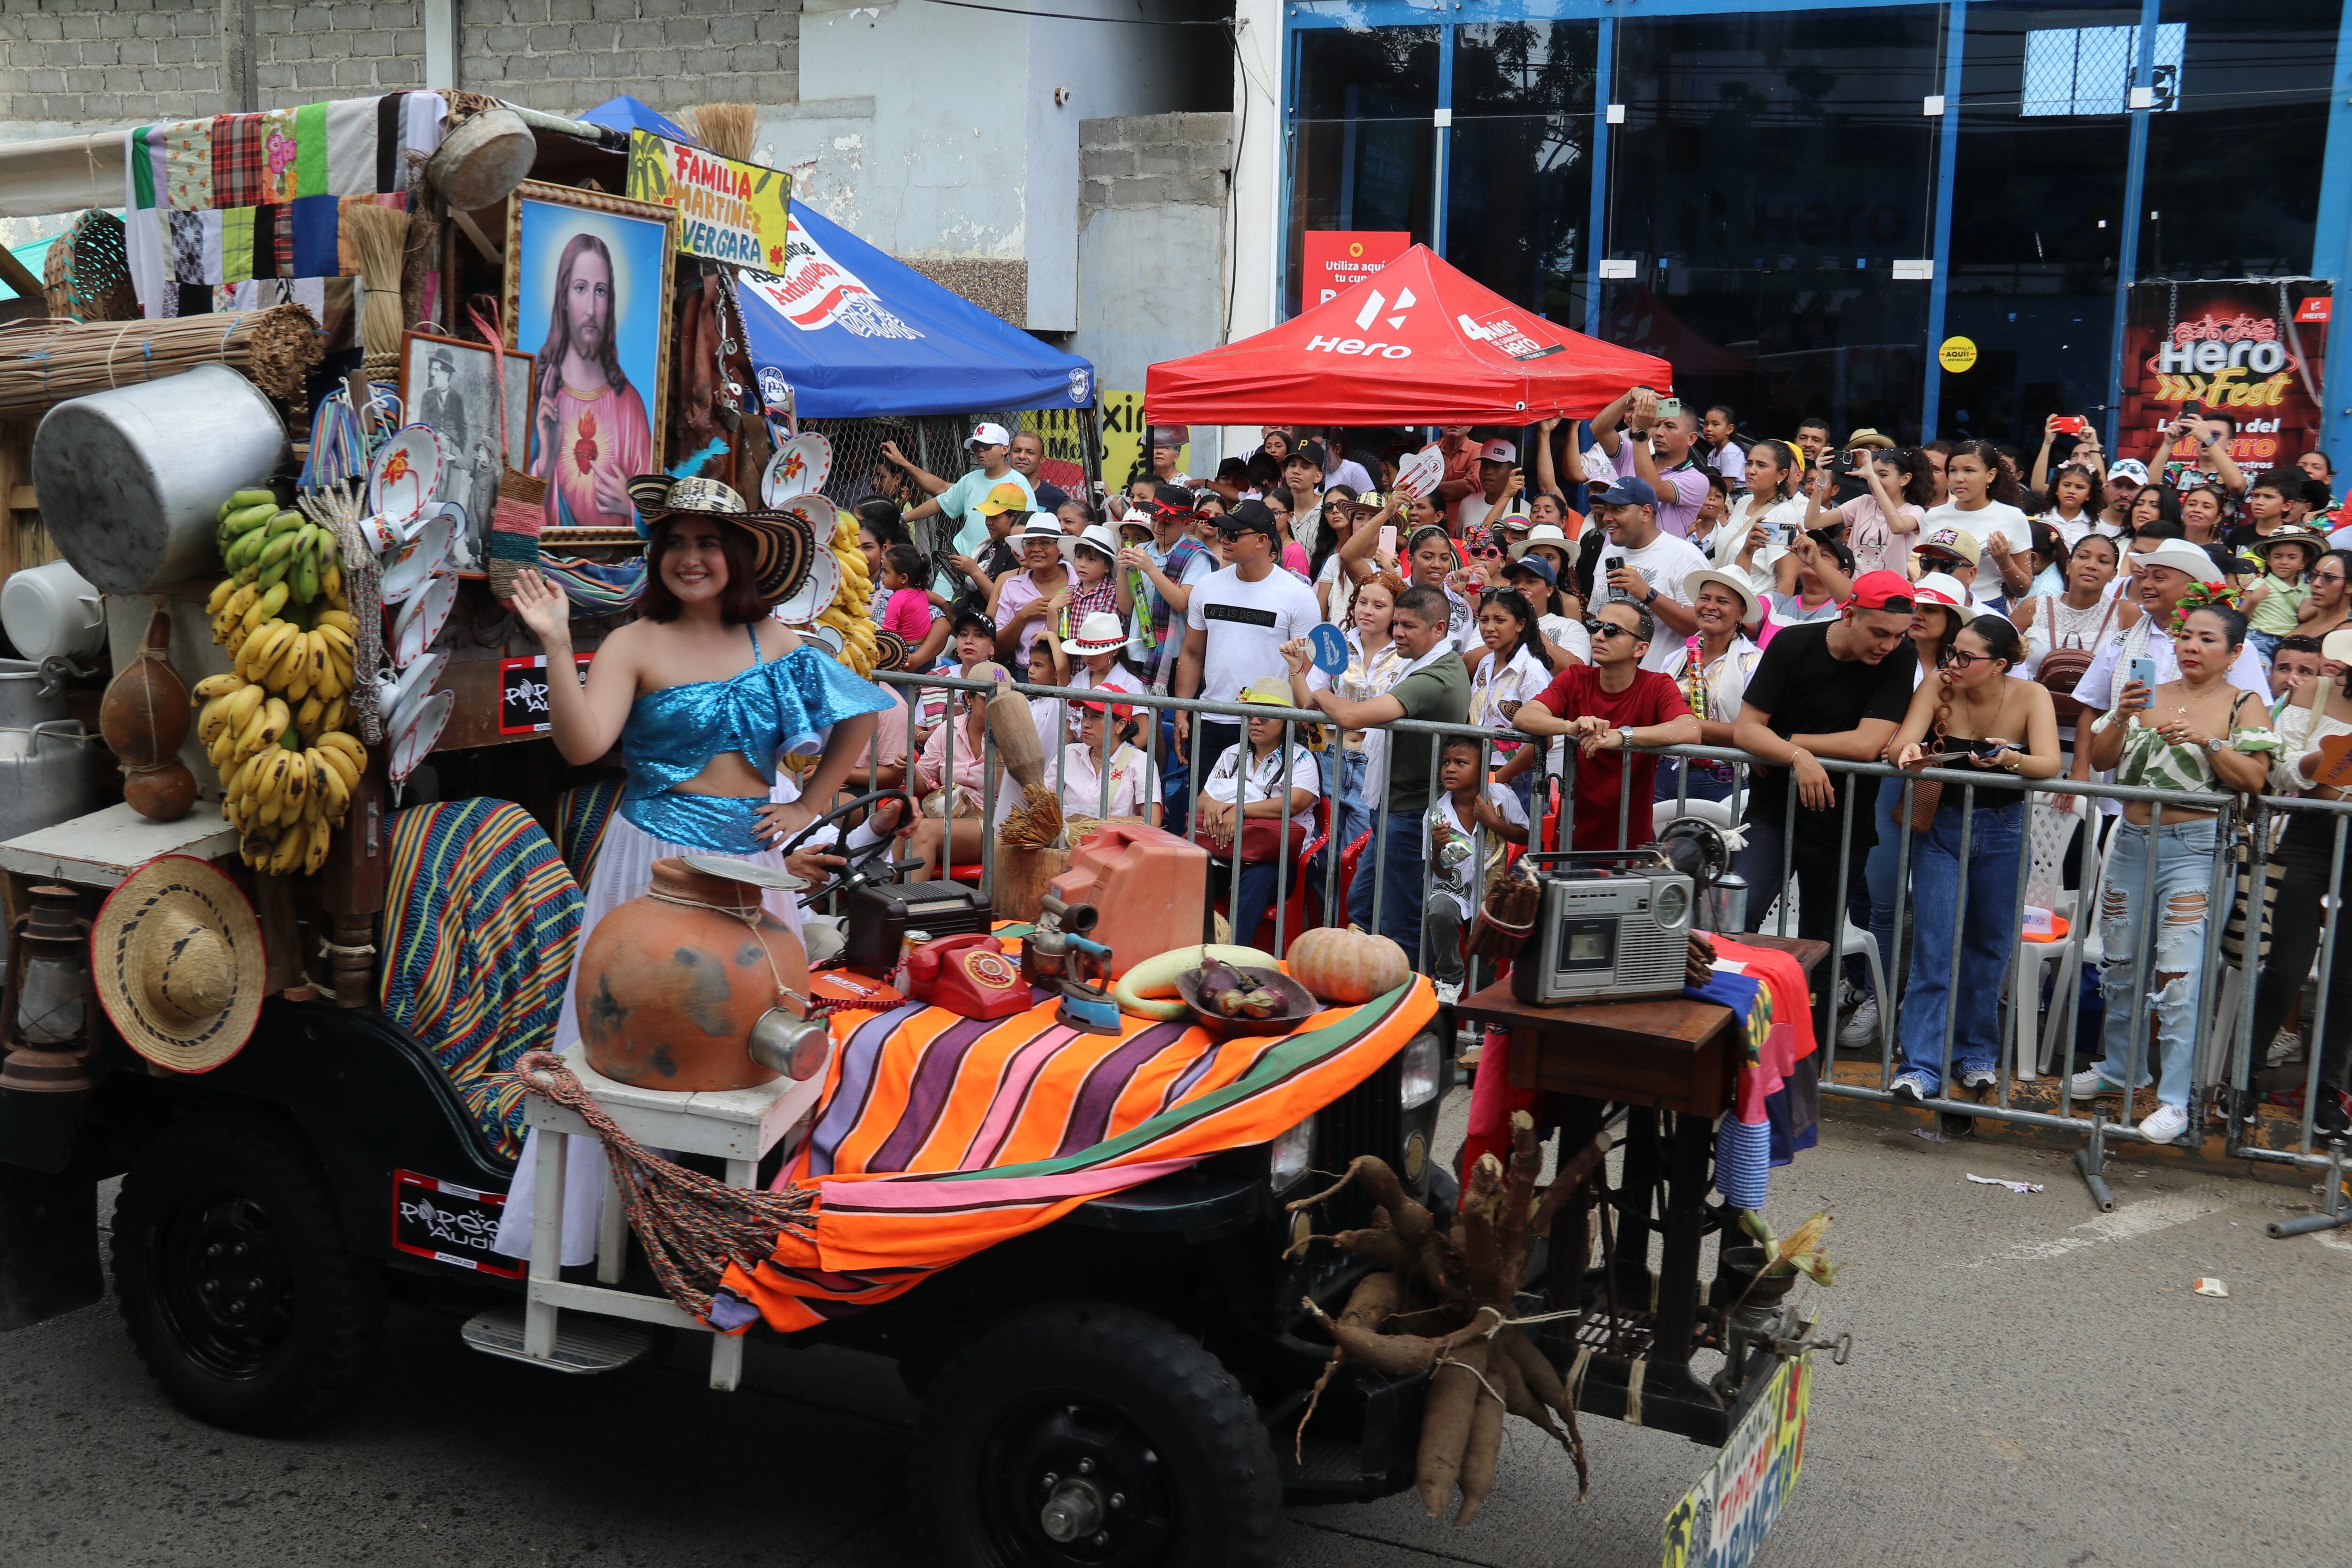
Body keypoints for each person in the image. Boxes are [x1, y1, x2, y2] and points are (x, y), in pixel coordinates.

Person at [496, 483, 889, 1262]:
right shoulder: (633, 642)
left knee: (746, 1052)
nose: (691, 558)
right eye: (676, 543)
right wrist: (553, 637)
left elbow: (863, 714)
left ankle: (704, 1237)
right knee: (626, 1045)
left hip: (749, 869)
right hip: (650, 865)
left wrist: (808, 801)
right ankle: (589, 1237)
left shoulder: (775, 644)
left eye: (708, 543)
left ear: (738, 556)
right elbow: (582, 747)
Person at [2076, 602, 2274, 1144]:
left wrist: (2207, 743)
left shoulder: (2244, 704)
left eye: (2207, 640)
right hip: (2131, 843)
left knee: (2179, 978)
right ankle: (2121, 1071)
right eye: (2186, 637)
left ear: (2234, 653)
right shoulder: (2150, 695)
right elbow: (2098, 759)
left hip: (2195, 848)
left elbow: (2254, 778)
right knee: (2118, 965)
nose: (2191, 646)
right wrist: (2120, 714)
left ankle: (2175, 1098)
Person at [1883, 617, 2061, 1102]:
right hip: (1940, 825)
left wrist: (2008, 760)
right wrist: (1908, 755)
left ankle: (1974, 1054)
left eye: (1965, 657)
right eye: (1950, 653)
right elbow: (1901, 742)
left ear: (1999, 665)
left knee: (1988, 950)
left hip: (2003, 828)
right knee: (1933, 949)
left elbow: (2049, 764)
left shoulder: (2030, 696)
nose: (1952, 664)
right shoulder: (1938, 686)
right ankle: (1919, 1065)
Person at [1729, 572, 1919, 966]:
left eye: (1900, 634)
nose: (1889, 644)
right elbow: (1746, 730)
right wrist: (1798, 758)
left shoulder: (1901, 655)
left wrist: (1784, 742)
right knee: (1733, 919)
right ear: (1848, 615)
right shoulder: (1793, 643)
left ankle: (1811, 1028)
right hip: (1773, 813)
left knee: (1820, 945)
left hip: (1843, 822)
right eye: (1881, 633)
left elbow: (1867, 745)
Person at [1285, 585, 1468, 962]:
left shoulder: (1436, 675)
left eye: (1408, 626)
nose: (1398, 631)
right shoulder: (1420, 663)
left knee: (1400, 921)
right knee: (1363, 904)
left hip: (1410, 812)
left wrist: (1320, 695)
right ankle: (1361, 983)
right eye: (1397, 623)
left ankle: (1408, 1005)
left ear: (1439, 629)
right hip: (1389, 804)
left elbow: (1352, 716)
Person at [1847, 576, 1972, 1049]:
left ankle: (1919, 1009)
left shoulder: (1965, 670)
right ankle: (1878, 998)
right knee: (1882, 903)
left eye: (1932, 611)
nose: (1918, 616)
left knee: (1939, 912)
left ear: (1952, 623)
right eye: (1914, 608)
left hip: (1947, 799)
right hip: (1887, 791)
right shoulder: (1879, 659)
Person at [2244, 634, 2352, 1133]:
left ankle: (2326, 1091)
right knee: (2286, 967)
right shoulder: (2311, 693)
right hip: (2309, 836)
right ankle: (2242, 1078)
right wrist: (2324, 763)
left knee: (2344, 977)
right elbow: (2280, 769)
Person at [1510, 600, 1698, 850]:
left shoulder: (1657, 685)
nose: (1598, 636)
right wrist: (1570, 727)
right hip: (1570, 841)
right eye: (1595, 626)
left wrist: (1622, 736)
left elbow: (1690, 729)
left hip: (1630, 849)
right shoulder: (1576, 677)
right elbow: (1525, 716)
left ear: (1640, 649)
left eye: (1612, 630)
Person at [1174, 499, 1324, 787]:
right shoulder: (1208, 585)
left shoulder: (1298, 596)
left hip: (1271, 724)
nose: (1223, 540)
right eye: (1222, 533)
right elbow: (1192, 653)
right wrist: (1183, 711)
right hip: (1213, 718)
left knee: (1258, 821)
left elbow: (1306, 668)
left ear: (1262, 541)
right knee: (1204, 816)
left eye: (1233, 534)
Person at [529, 233, 655, 530]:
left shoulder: (629, 405)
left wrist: (631, 506)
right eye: (581, 289)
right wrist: (546, 459)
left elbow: (651, 513)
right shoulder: (538, 399)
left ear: (610, 302)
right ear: (563, 297)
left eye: (601, 291)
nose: (591, 309)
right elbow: (518, 520)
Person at [1194, 676, 1322, 947]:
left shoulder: (1302, 758)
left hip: (1283, 857)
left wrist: (1238, 810)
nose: (1254, 721)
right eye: (1251, 714)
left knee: (1254, 878)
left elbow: (1294, 804)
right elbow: (1201, 802)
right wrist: (1218, 806)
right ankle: (1189, 943)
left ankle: (1231, 956)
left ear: (1285, 721)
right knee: (1189, 863)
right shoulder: (1232, 753)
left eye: (1264, 716)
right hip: (1228, 849)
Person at [1423, 735, 1531, 1002]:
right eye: (1446, 762)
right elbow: (1441, 873)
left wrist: (1493, 823)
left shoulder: (1501, 797)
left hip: (1489, 895)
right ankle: (1450, 977)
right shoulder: (1437, 813)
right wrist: (1438, 848)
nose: (1450, 768)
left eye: (1461, 763)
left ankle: (1480, 1031)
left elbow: (1525, 835)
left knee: (1484, 971)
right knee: (1440, 910)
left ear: (1483, 769)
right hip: (1455, 890)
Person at [1657, 568, 1764, 804]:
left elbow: (1751, 732)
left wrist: (1685, 726)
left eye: (1722, 601)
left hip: (1722, 780)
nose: (1710, 606)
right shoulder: (1674, 660)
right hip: (1668, 771)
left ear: (1741, 613)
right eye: (1704, 598)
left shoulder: (1755, 664)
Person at [1589, 476, 1707, 672]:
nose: (1607, 517)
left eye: (1618, 509)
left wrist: (1648, 594)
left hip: (1659, 687)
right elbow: (1596, 615)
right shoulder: (1609, 553)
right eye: (1607, 509)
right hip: (1606, 687)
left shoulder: (1685, 556)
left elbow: (1701, 628)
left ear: (1645, 513)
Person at [892, 423, 1037, 571]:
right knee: (939, 594)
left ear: (1004, 449)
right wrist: (902, 518)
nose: (980, 450)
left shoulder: (1018, 482)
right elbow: (939, 503)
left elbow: (1030, 523)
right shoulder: (970, 479)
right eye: (976, 446)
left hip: (995, 559)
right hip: (960, 555)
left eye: (987, 446)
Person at [1467, 587, 1557, 807]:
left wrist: (1501, 778)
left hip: (1520, 779)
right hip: (1482, 774)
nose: (1489, 628)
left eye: (1499, 620)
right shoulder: (1485, 663)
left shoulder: (1531, 670)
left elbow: (1545, 739)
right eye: (1484, 620)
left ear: (1520, 625)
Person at [1927, 439, 2034, 601]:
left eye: (1969, 471)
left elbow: (2023, 588)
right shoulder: (1933, 515)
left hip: (1987, 607)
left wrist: (2004, 560)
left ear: (1991, 475)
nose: (1959, 479)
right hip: (1938, 603)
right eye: (1953, 471)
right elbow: (1925, 569)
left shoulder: (2013, 517)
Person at [1597, 394, 1708, 539]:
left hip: (1659, 561)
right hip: (1614, 557)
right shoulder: (1632, 454)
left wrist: (1640, 433)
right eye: (1657, 425)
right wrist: (1630, 397)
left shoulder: (1697, 480)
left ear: (1691, 438)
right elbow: (1599, 429)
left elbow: (1650, 490)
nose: (1659, 433)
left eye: (1670, 427)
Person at [1812, 445, 1927, 578]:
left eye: (1883, 475)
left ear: (1905, 479)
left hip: (1887, 593)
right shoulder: (1864, 502)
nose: (1873, 480)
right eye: (1872, 474)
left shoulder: (1915, 511)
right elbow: (1813, 522)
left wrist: (1872, 477)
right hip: (1852, 590)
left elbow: (1898, 527)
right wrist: (1822, 479)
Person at [1721, 440, 1807, 597]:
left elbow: (1787, 581)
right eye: (1749, 463)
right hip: (1723, 600)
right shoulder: (1742, 502)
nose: (1751, 471)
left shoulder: (1785, 517)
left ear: (1782, 475)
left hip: (1753, 610)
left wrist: (1772, 619)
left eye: (1761, 466)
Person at [988, 515, 1073, 667]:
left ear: (1060, 548)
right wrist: (1023, 616)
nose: (1036, 549)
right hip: (1026, 675)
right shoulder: (1013, 586)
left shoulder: (1080, 581)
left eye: (1045, 542)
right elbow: (997, 651)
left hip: (1076, 675)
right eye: (1029, 543)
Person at [1061, 698, 1156, 824]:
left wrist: (1094, 820)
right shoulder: (1068, 754)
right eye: (1085, 715)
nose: (1085, 724)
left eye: (1096, 717)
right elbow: (1043, 802)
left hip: (1116, 843)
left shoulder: (1142, 763)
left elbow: (1152, 822)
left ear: (1120, 725)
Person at [2240, 530, 2321, 665]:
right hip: (2258, 639)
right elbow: (2241, 618)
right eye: (2278, 557)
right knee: (2262, 674)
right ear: (2269, 560)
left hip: (2286, 644)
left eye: (2292, 557)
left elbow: (2304, 615)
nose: (2284, 562)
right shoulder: (2260, 584)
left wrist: (2326, 603)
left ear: (2303, 562)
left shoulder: (2307, 588)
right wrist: (2254, 600)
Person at [1769, 531, 1855, 626]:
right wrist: (1749, 553)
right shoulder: (1777, 602)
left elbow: (1859, 600)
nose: (1811, 556)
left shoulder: (1846, 612)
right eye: (1808, 552)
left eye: (1824, 555)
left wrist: (1816, 562)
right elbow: (1750, 617)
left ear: (1844, 573)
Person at [2037, 461, 2110, 549]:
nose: (2071, 491)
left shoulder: (2095, 527)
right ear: (2056, 489)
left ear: (2089, 495)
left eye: (2079, 487)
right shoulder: (2040, 521)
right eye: (2067, 485)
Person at [1007, 430, 1069, 513]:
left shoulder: (1057, 498)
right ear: (1009, 455)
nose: (1022, 456)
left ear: (1042, 459)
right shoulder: (996, 489)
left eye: (1030, 453)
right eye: (1017, 451)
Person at [1701, 404, 1748, 484]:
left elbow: (1726, 488)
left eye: (1715, 425)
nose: (1708, 429)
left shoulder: (1730, 452)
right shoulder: (1714, 453)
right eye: (1706, 424)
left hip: (1737, 494)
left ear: (1730, 429)